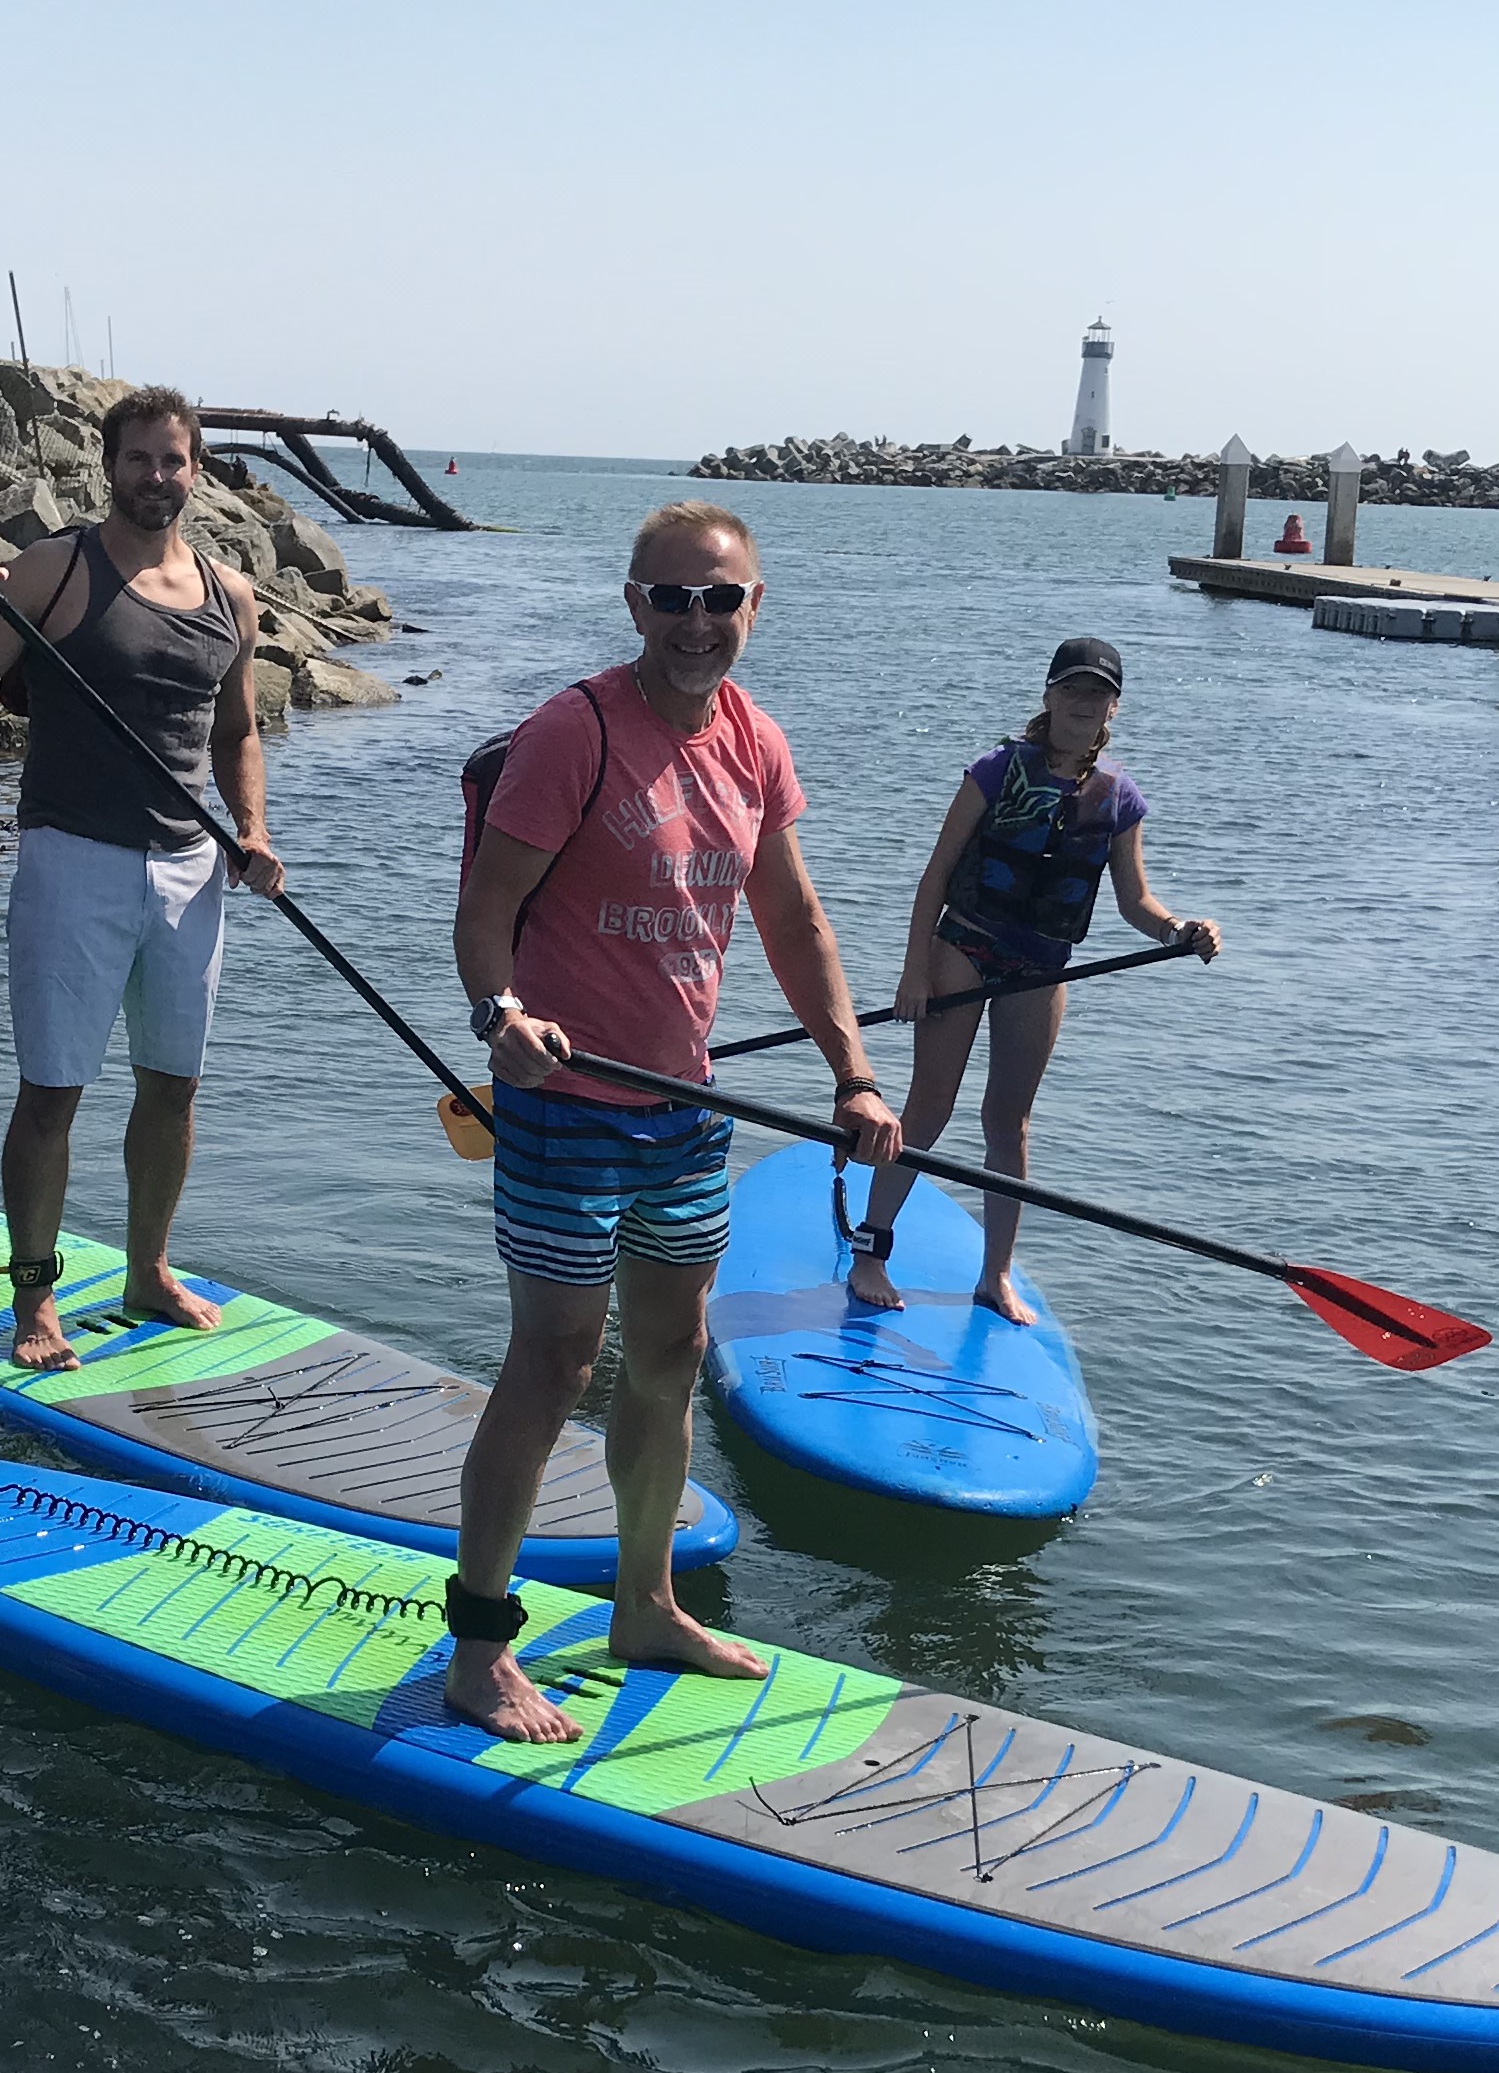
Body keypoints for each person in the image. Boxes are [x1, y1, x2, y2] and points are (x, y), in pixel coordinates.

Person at [447, 500, 902, 1745]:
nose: (698, 623)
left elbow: (795, 923)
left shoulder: (754, 740)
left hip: (683, 1117)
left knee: (666, 1360)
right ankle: (479, 1646)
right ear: (634, 603)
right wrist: (501, 1015)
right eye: (673, 598)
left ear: (757, 607)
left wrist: (854, 1075)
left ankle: (643, 1605)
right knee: (550, 1363)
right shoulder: (572, 732)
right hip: (560, 1107)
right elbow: (484, 914)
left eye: (722, 599)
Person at [0, 383, 281, 1371]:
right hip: (72, 860)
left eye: (175, 460)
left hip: (191, 869)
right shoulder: (53, 568)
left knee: (174, 1087)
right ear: (108, 464)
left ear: (195, 470)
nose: (157, 477)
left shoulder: (229, 594)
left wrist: (251, 828)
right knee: (53, 1094)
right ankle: (36, 1300)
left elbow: (237, 731)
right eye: (139, 459)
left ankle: (146, 1270)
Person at [845, 636, 1217, 1324]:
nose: (1083, 704)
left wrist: (1177, 931)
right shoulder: (995, 770)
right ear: (1048, 697)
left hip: (1042, 966)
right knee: (930, 1107)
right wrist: (913, 972)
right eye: (1071, 690)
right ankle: (870, 1251)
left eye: (1097, 694)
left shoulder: (1119, 799)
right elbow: (936, 874)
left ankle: (996, 1275)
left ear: (1114, 708)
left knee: (1008, 1125)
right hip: (966, 946)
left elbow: (1137, 901)